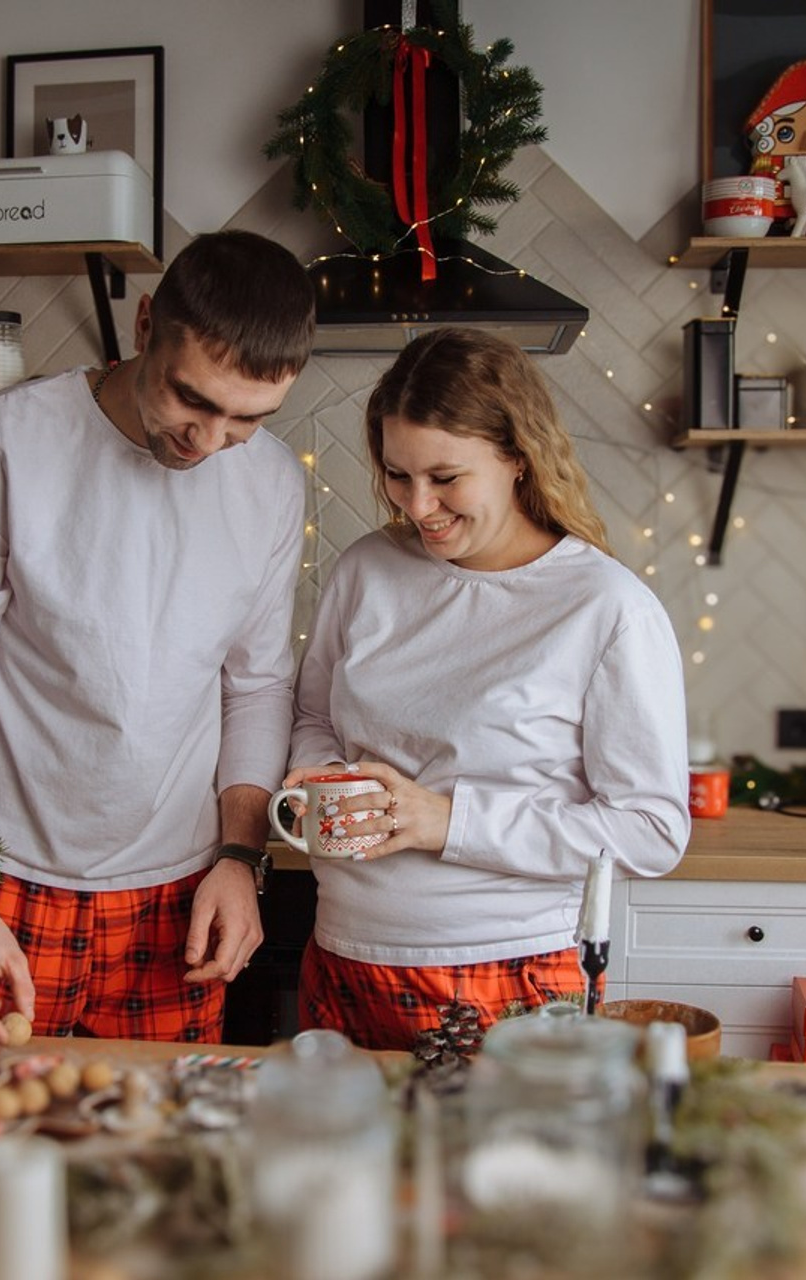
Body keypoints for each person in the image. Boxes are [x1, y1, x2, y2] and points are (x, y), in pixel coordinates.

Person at [0, 230, 316, 1048]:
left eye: (246, 418)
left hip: (181, 890)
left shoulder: (270, 480)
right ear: (143, 325)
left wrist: (240, 857)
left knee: (156, 1157)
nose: (209, 442)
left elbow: (258, 684)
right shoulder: (2, 442)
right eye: (191, 400)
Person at [283, 328, 690, 1052]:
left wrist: (446, 821)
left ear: (516, 456)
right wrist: (334, 783)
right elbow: (315, 715)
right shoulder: (367, 571)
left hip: (509, 971)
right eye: (396, 474)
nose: (417, 504)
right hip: (345, 953)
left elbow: (652, 830)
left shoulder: (604, 607)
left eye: (445, 477)